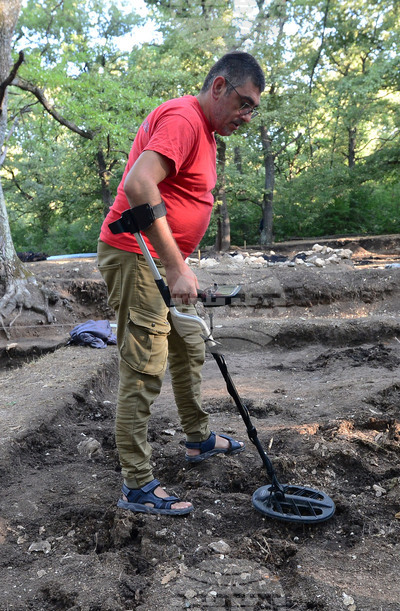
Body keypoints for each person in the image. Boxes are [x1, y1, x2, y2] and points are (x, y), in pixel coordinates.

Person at [97, 51, 265, 516]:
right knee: (144, 366)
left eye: (254, 109)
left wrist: (179, 264)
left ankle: (198, 439)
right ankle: (137, 485)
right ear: (218, 87)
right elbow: (139, 184)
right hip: (137, 258)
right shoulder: (184, 118)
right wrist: (174, 267)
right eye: (244, 103)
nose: (247, 116)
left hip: (158, 261)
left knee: (189, 343)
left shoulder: (205, 131)